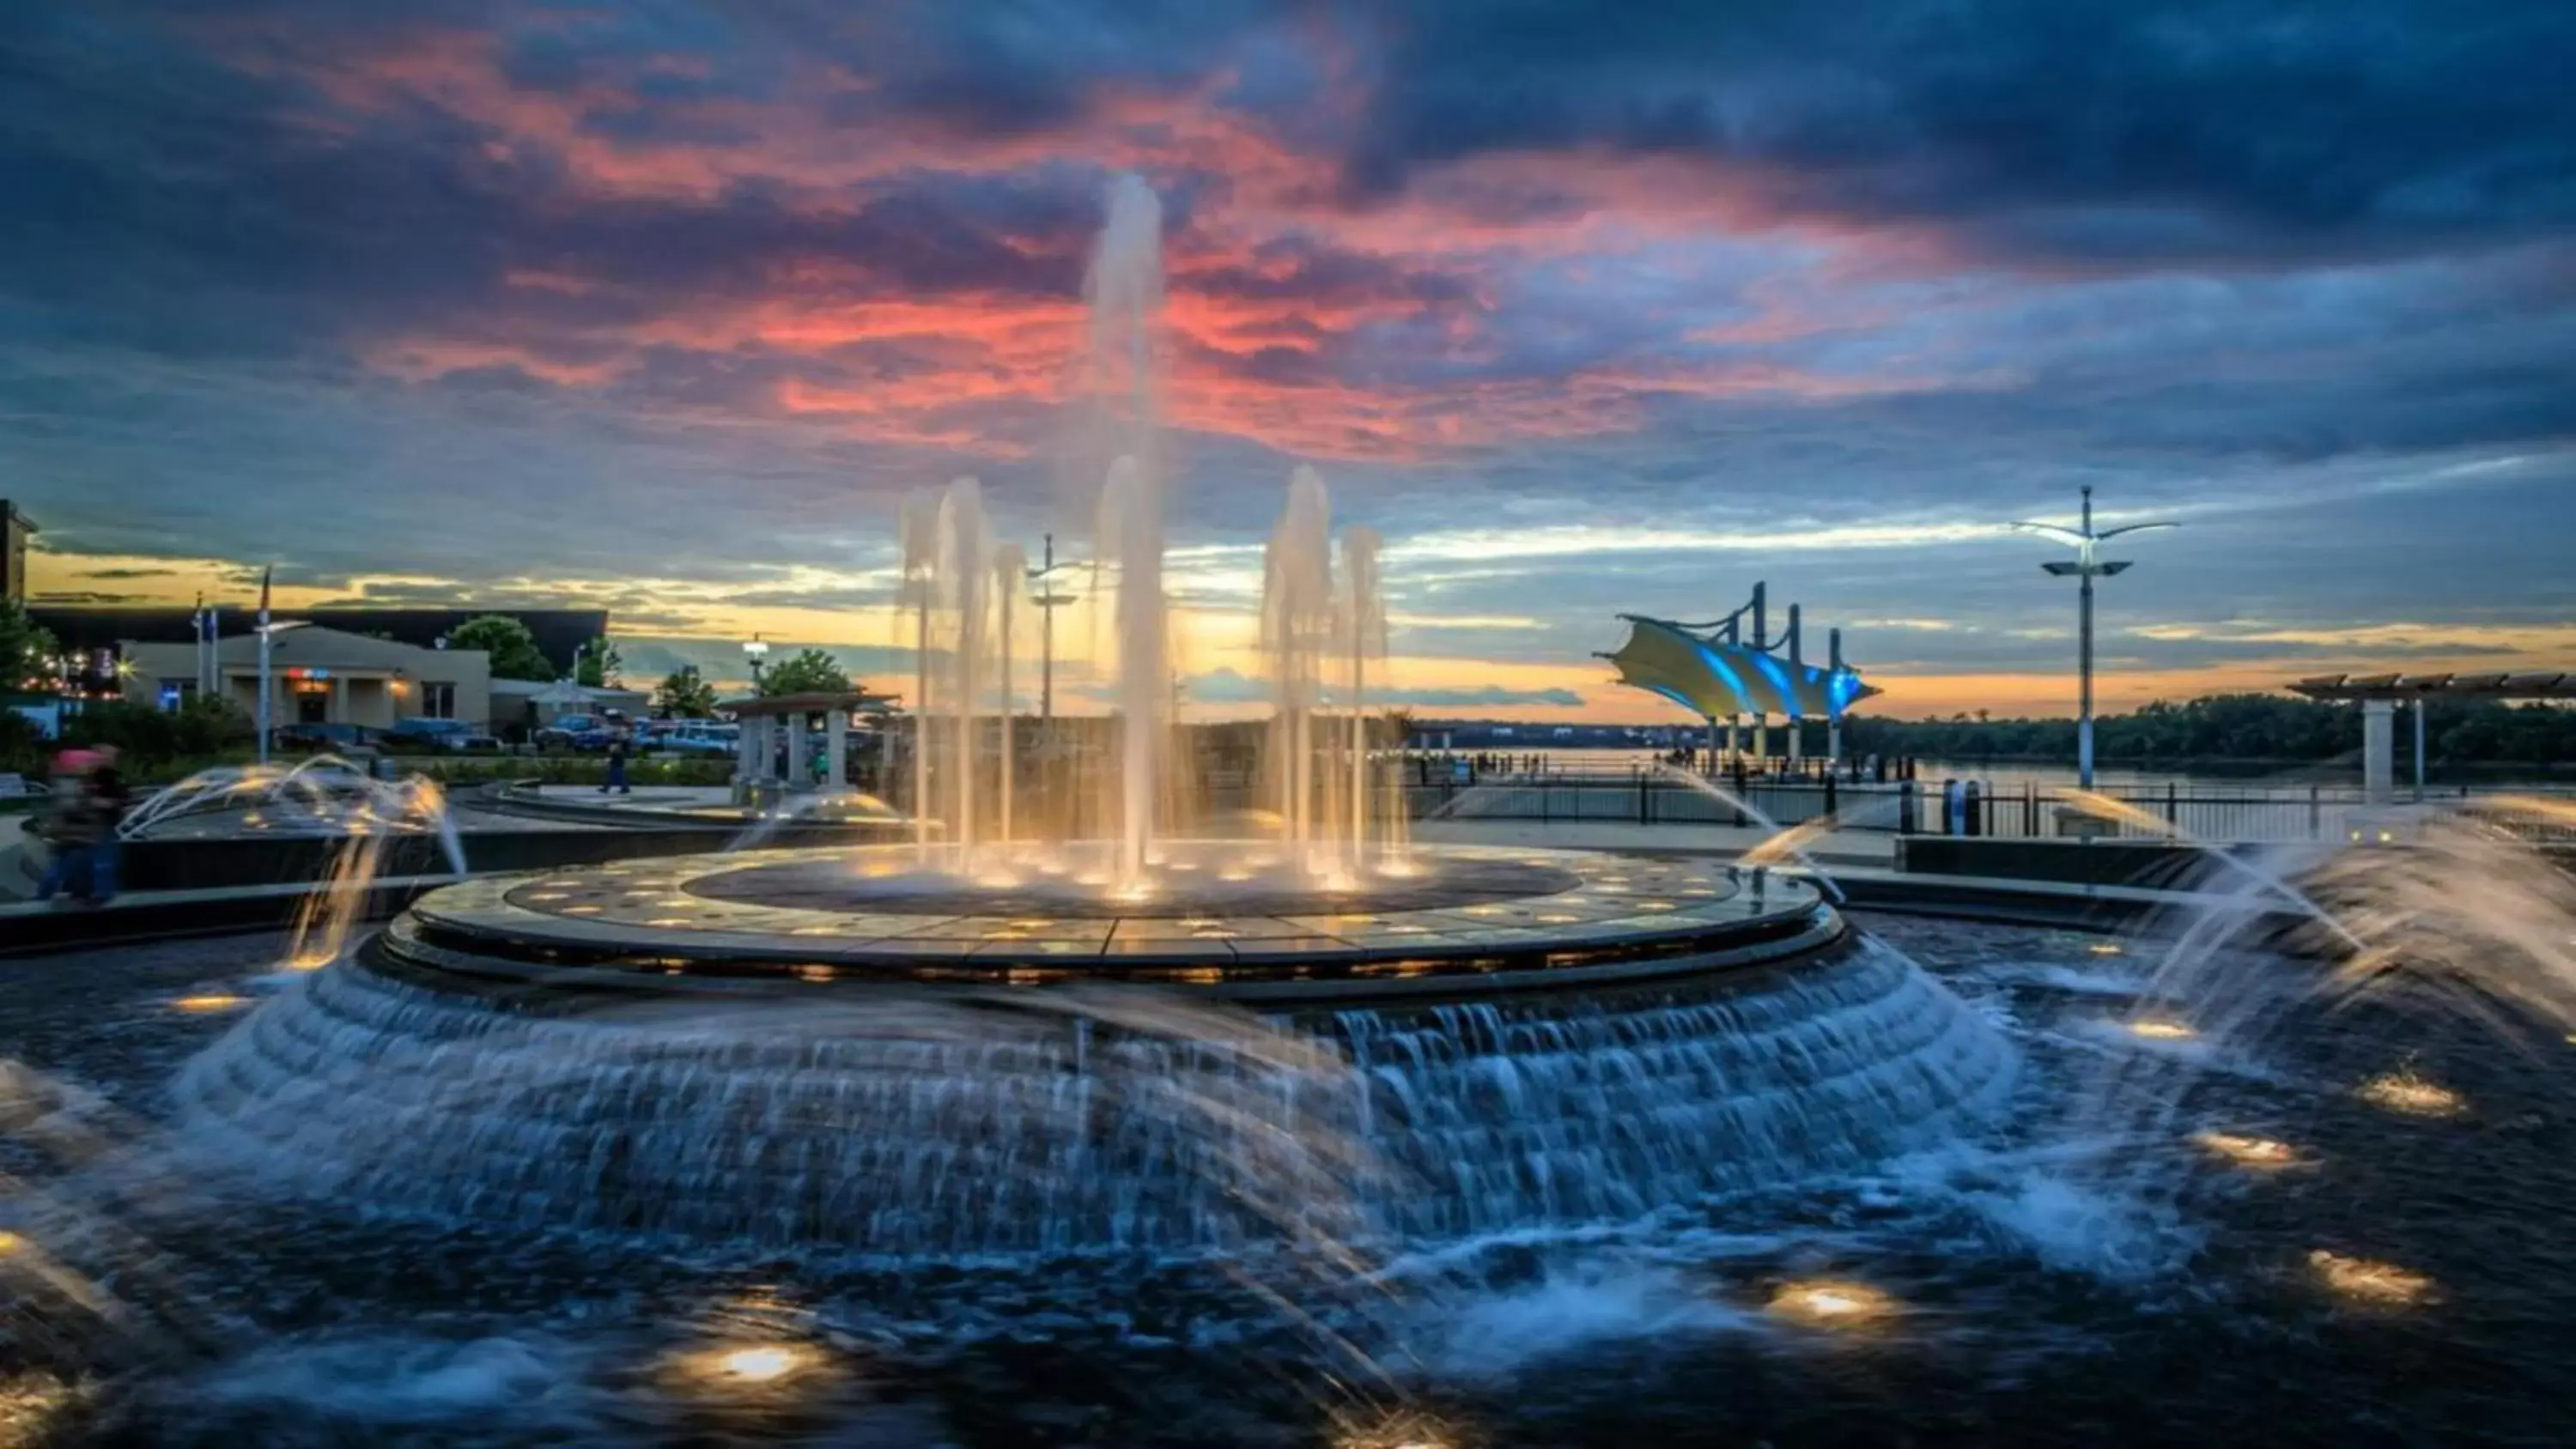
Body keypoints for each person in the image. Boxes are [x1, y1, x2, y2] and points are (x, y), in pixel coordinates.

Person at [37, 747, 128, 906]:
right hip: (81, 835)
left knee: (76, 868)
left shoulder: (90, 782)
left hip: (85, 835)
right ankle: (44, 899)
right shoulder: (71, 785)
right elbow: (69, 806)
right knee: (71, 868)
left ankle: (90, 895)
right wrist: (94, 803)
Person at [599, 712, 633, 795]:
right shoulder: (618, 729)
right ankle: (609, 787)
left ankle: (612, 787)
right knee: (614, 770)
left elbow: (623, 741)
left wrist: (618, 747)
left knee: (616, 771)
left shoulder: (621, 730)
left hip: (618, 752)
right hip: (615, 751)